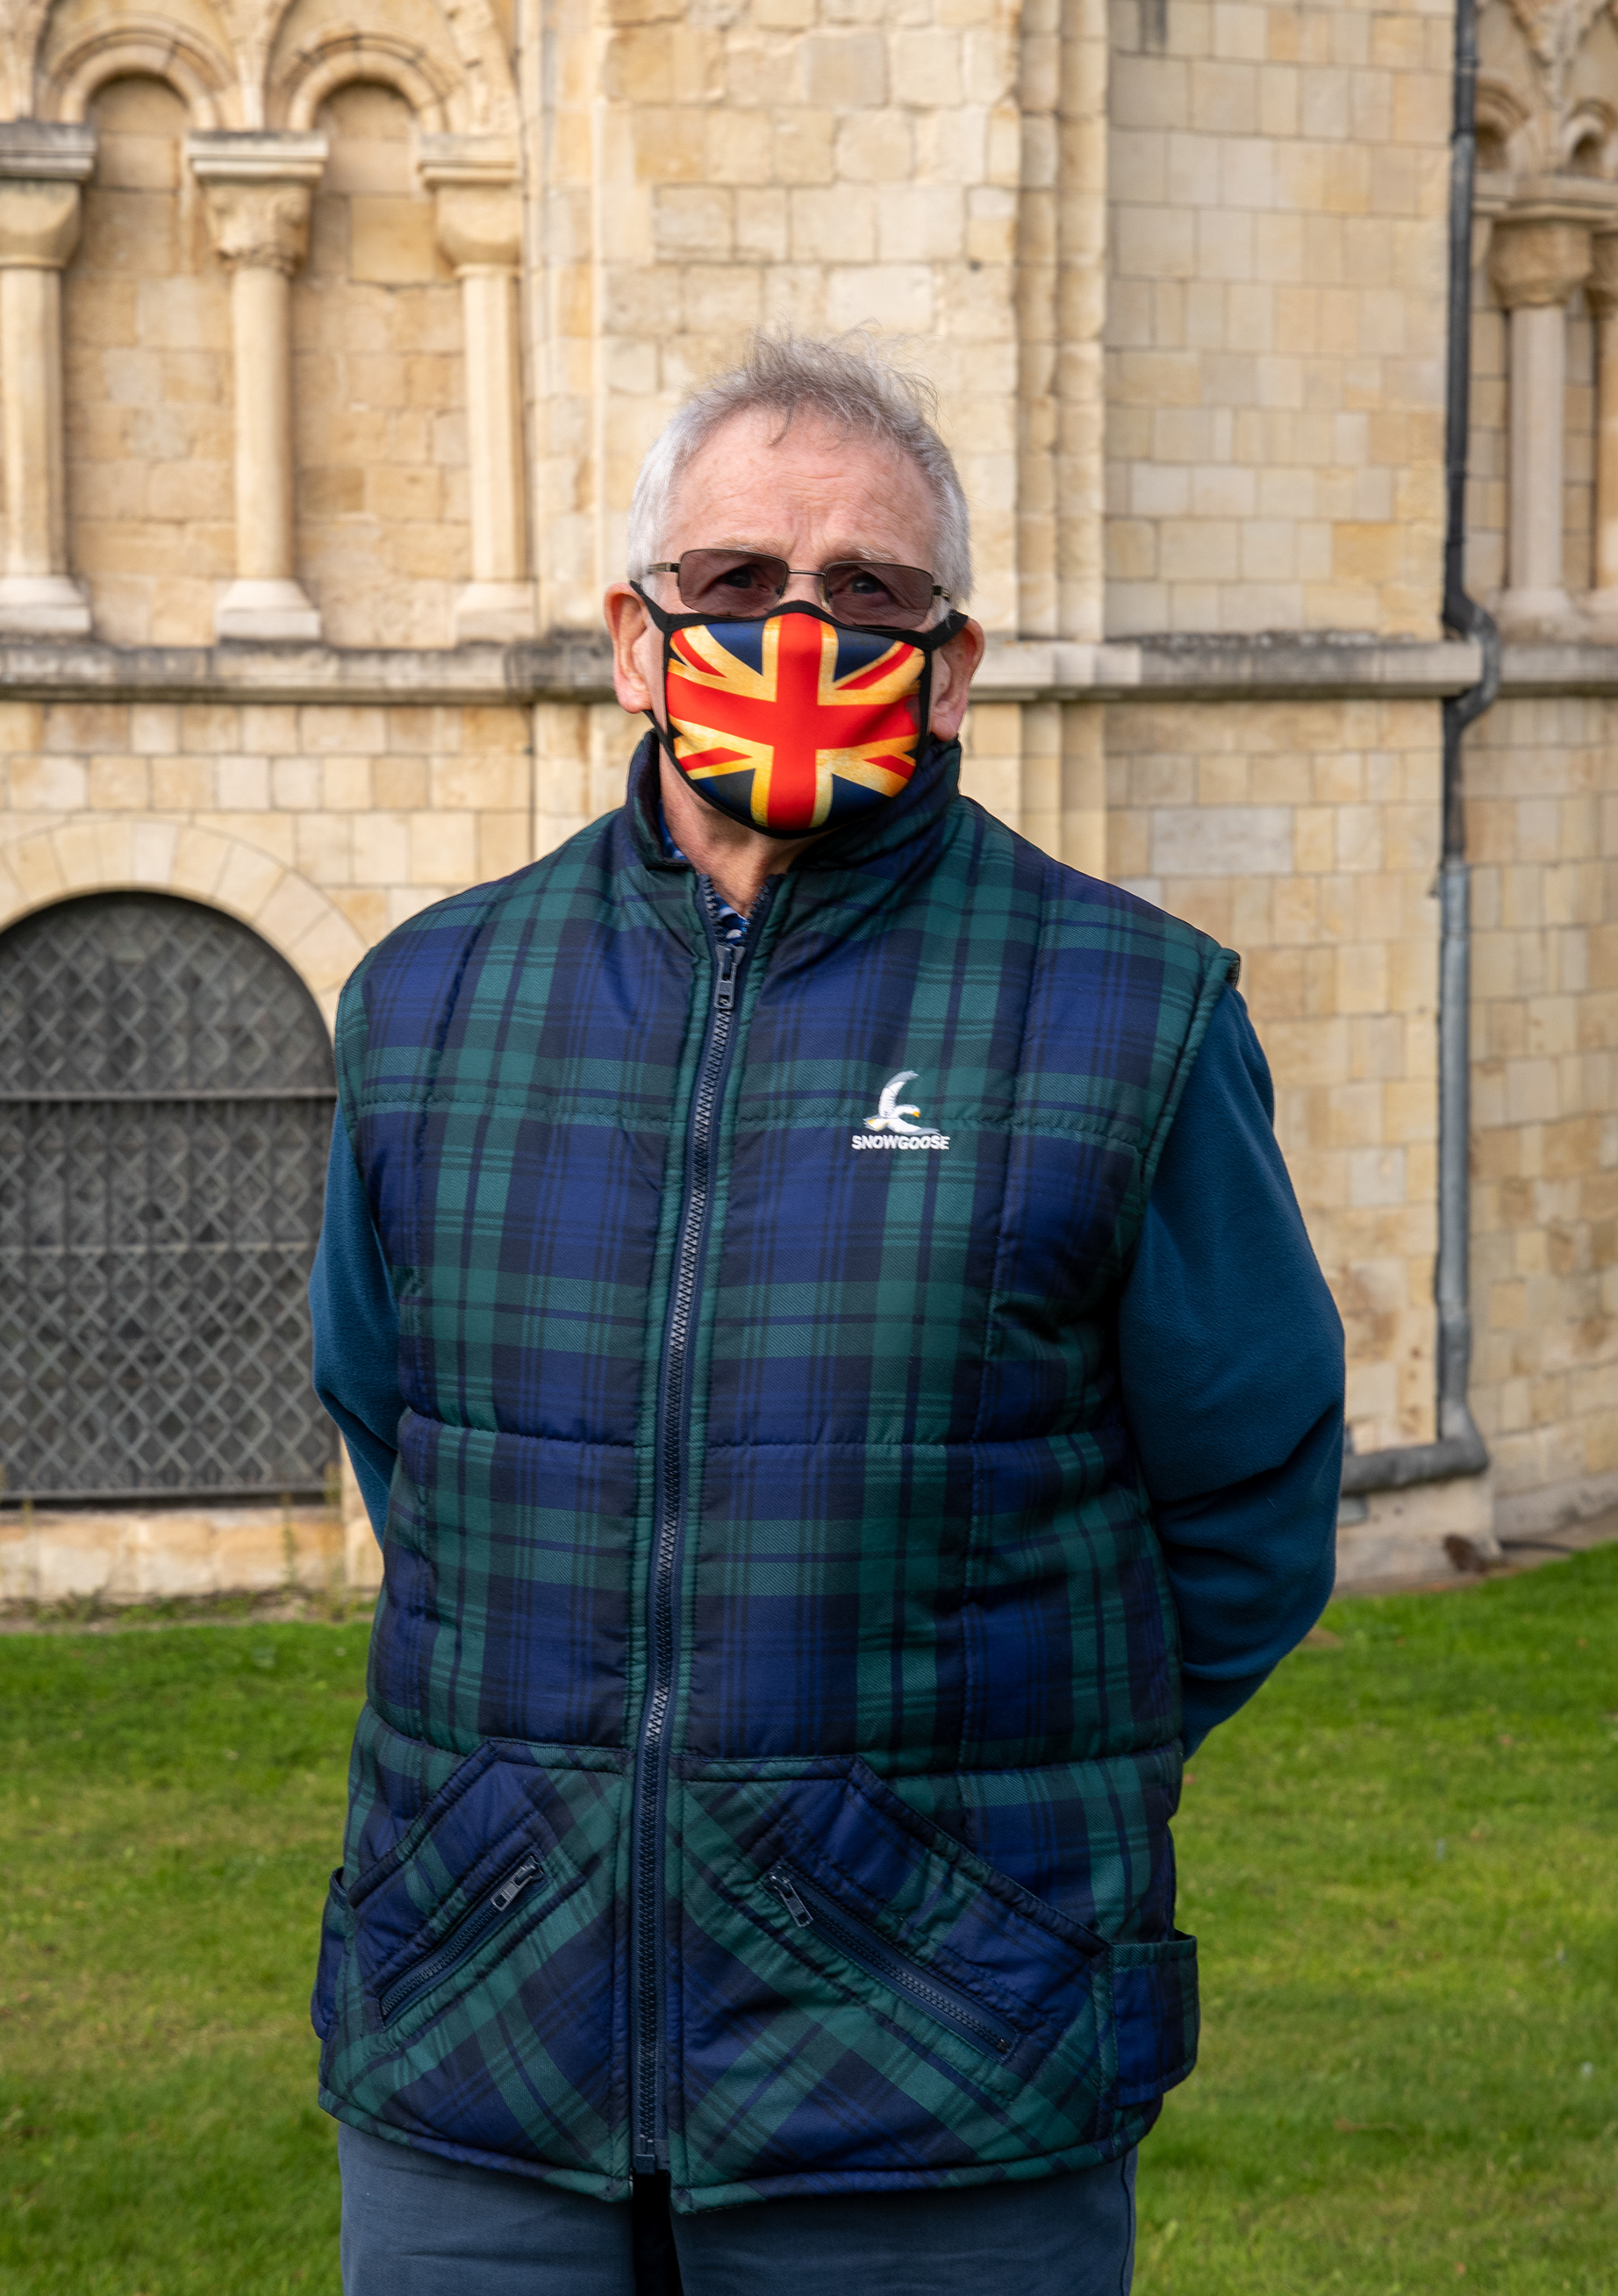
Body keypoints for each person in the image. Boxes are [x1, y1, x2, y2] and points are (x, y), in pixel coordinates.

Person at [309, 333, 1345, 2295]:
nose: (803, 628)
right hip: (481, 2056)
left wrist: (932, 1798)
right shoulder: (431, 1007)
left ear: (951, 666)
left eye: (869, 594)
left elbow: (1251, 1503)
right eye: (738, 587)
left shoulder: (1129, 1016)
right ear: (637, 640)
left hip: (935, 2078)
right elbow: (402, 1436)